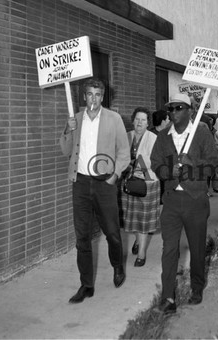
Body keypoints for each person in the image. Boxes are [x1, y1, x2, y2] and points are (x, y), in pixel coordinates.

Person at [60, 78, 130, 304]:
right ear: (84, 97)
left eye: (98, 95)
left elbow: (124, 153)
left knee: (111, 232)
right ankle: (86, 285)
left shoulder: (114, 119)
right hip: (80, 183)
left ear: (103, 97)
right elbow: (65, 150)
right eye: (90, 94)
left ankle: (118, 265)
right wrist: (67, 130)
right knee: (82, 237)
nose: (94, 99)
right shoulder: (76, 119)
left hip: (104, 183)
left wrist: (115, 175)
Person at [150, 93, 218, 315]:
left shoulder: (201, 133)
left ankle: (197, 287)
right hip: (171, 201)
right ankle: (168, 297)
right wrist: (168, 171)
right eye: (170, 109)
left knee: (197, 247)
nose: (173, 112)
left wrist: (191, 165)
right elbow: (155, 164)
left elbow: (213, 165)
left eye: (179, 108)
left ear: (190, 110)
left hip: (195, 200)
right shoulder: (163, 137)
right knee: (169, 249)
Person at [122, 107, 160, 267]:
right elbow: (120, 157)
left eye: (143, 120)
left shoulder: (153, 138)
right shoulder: (126, 136)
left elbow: (156, 161)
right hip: (130, 182)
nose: (139, 122)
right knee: (133, 217)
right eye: (137, 119)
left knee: (143, 220)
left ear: (147, 123)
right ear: (133, 120)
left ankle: (142, 254)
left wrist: (139, 168)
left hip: (148, 183)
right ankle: (138, 241)